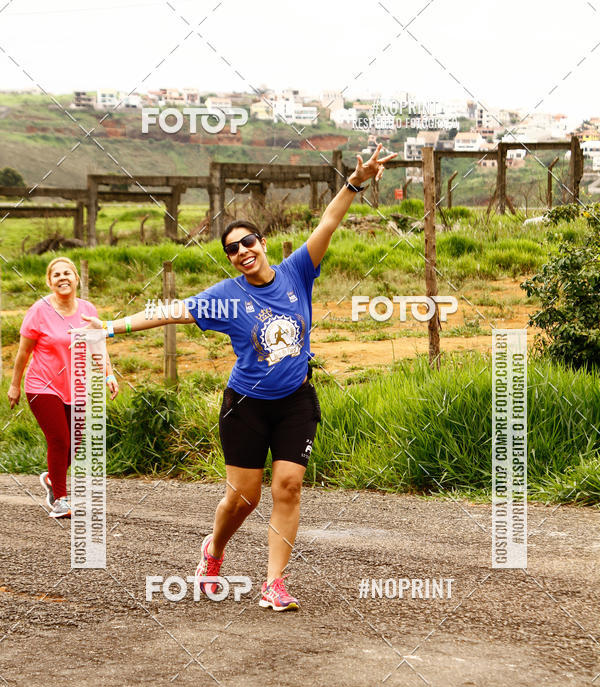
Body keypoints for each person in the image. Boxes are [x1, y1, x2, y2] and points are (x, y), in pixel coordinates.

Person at [79, 144, 396, 607]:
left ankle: (273, 584)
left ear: (263, 243)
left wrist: (356, 180)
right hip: (245, 405)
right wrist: (111, 326)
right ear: (229, 259)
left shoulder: (297, 272)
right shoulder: (226, 297)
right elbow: (172, 312)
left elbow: (328, 222)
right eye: (232, 249)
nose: (242, 251)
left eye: (248, 242)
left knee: (288, 486)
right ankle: (215, 549)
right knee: (243, 499)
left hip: (295, 401)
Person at [7, 257, 119, 518]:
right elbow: (23, 354)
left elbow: (96, 344)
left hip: (76, 386)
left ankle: (51, 477)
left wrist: (109, 375)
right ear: (49, 282)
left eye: (67, 273)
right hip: (42, 385)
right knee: (59, 439)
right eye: (56, 275)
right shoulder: (39, 310)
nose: (62, 278)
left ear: (76, 279)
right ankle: (60, 500)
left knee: (74, 444)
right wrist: (14, 385)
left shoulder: (86, 309)